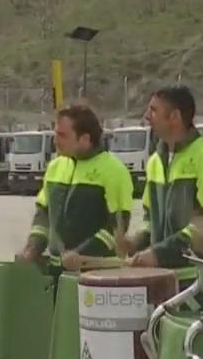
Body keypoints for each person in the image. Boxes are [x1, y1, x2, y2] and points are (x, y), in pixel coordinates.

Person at [127, 85, 203, 309]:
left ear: (175, 117)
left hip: (199, 284)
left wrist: (158, 253)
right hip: (162, 281)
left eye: (154, 110)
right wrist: (135, 245)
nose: (147, 117)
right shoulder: (156, 161)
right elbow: (149, 217)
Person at [19, 104, 132, 287]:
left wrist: (82, 254)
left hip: (98, 276)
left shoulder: (114, 170)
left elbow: (117, 227)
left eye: (62, 135)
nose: (55, 141)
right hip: (56, 273)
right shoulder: (55, 167)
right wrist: (33, 248)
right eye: (55, 134)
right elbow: (43, 214)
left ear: (85, 139)